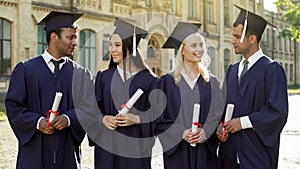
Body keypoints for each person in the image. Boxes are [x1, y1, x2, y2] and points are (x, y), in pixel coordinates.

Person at [5, 11, 98, 169]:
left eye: (75, 37)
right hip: (34, 154)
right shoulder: (26, 70)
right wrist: (37, 122)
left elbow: (90, 109)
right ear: (54, 37)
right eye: (70, 37)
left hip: (66, 153)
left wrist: (69, 119)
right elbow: (14, 108)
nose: (75, 43)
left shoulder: (81, 74)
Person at [216, 5, 289, 169]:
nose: (232, 41)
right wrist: (220, 127)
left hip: (256, 157)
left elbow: (278, 111)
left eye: (236, 36)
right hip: (229, 157)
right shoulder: (232, 70)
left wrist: (243, 122)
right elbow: (221, 106)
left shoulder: (272, 70)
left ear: (252, 39)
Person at [155, 22, 224, 169]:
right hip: (178, 154)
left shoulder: (211, 82)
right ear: (182, 51)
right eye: (193, 46)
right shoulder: (167, 83)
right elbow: (159, 119)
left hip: (205, 152)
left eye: (201, 45)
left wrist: (206, 131)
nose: (199, 49)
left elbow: (217, 114)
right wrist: (181, 132)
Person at [90, 18, 157, 169]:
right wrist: (103, 119)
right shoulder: (103, 77)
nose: (112, 50)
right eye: (111, 45)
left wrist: (137, 119)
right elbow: (91, 110)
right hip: (107, 147)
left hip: (135, 148)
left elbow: (158, 114)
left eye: (117, 45)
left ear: (130, 47)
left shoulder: (149, 80)